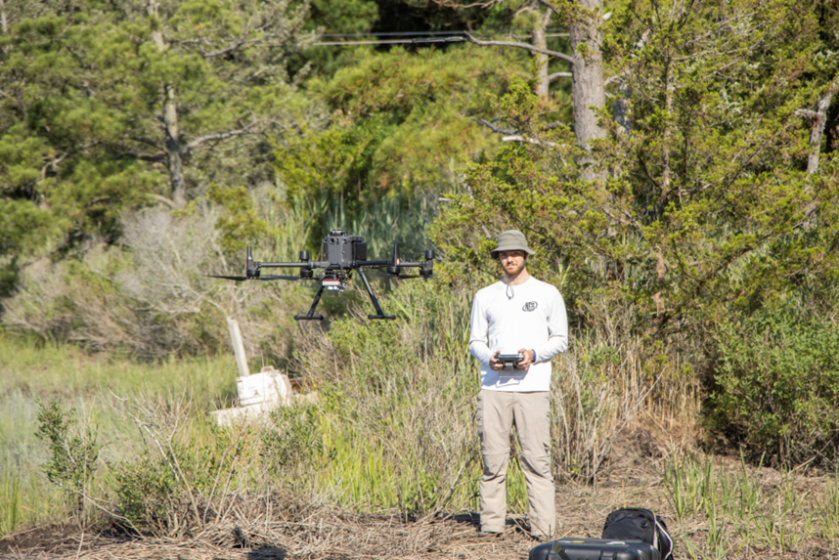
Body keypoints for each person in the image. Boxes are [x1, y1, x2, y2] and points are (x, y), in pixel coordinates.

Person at [468, 229, 568, 540]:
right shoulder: (484, 295)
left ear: (525, 255)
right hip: (493, 390)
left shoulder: (547, 293)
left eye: (514, 253)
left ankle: (543, 530)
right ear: (498, 258)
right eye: (502, 254)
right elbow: (475, 341)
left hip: (533, 389)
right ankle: (491, 528)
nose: (508, 258)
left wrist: (533, 354)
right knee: (492, 462)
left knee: (537, 462)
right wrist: (490, 359)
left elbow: (561, 340)